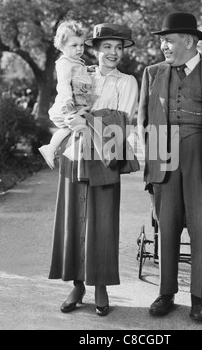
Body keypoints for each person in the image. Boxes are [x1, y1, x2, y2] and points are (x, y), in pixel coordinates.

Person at [138, 11, 202, 322]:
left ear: (190, 41)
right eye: (163, 43)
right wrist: (153, 157)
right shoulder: (152, 72)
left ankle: (199, 298)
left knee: (201, 227)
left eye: (169, 41)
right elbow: (143, 121)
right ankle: (166, 293)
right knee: (166, 225)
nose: (164, 48)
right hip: (164, 156)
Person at [48, 23, 139, 316]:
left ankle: (100, 286)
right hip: (76, 155)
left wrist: (86, 120)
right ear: (95, 49)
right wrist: (70, 120)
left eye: (118, 47)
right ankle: (77, 285)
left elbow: (121, 122)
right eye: (107, 47)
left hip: (105, 158)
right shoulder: (80, 73)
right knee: (73, 219)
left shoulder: (127, 82)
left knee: (103, 223)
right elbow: (57, 111)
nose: (113, 53)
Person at [39, 20, 95, 169]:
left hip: (78, 102)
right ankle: (73, 150)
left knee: (69, 128)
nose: (79, 49)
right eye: (74, 45)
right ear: (62, 46)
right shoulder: (64, 62)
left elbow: (79, 74)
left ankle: (51, 148)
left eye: (81, 45)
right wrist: (68, 99)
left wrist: (88, 70)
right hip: (69, 104)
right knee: (84, 124)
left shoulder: (76, 62)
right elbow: (63, 83)